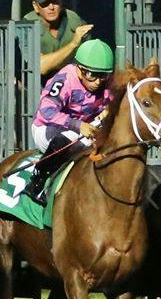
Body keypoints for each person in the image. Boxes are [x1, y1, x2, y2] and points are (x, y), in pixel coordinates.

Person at [21, 38, 115, 203]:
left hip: (86, 128)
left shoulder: (106, 83)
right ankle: (37, 180)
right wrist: (78, 125)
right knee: (72, 138)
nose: (98, 82)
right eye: (92, 75)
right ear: (79, 69)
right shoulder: (65, 79)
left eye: (103, 75)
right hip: (48, 128)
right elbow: (47, 110)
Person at [26, 0, 91, 77]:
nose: (51, 7)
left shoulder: (74, 20)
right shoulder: (27, 26)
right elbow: (40, 66)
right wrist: (73, 44)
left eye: (55, 2)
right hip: (37, 85)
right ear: (36, 6)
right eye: (45, 3)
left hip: (70, 82)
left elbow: (88, 60)